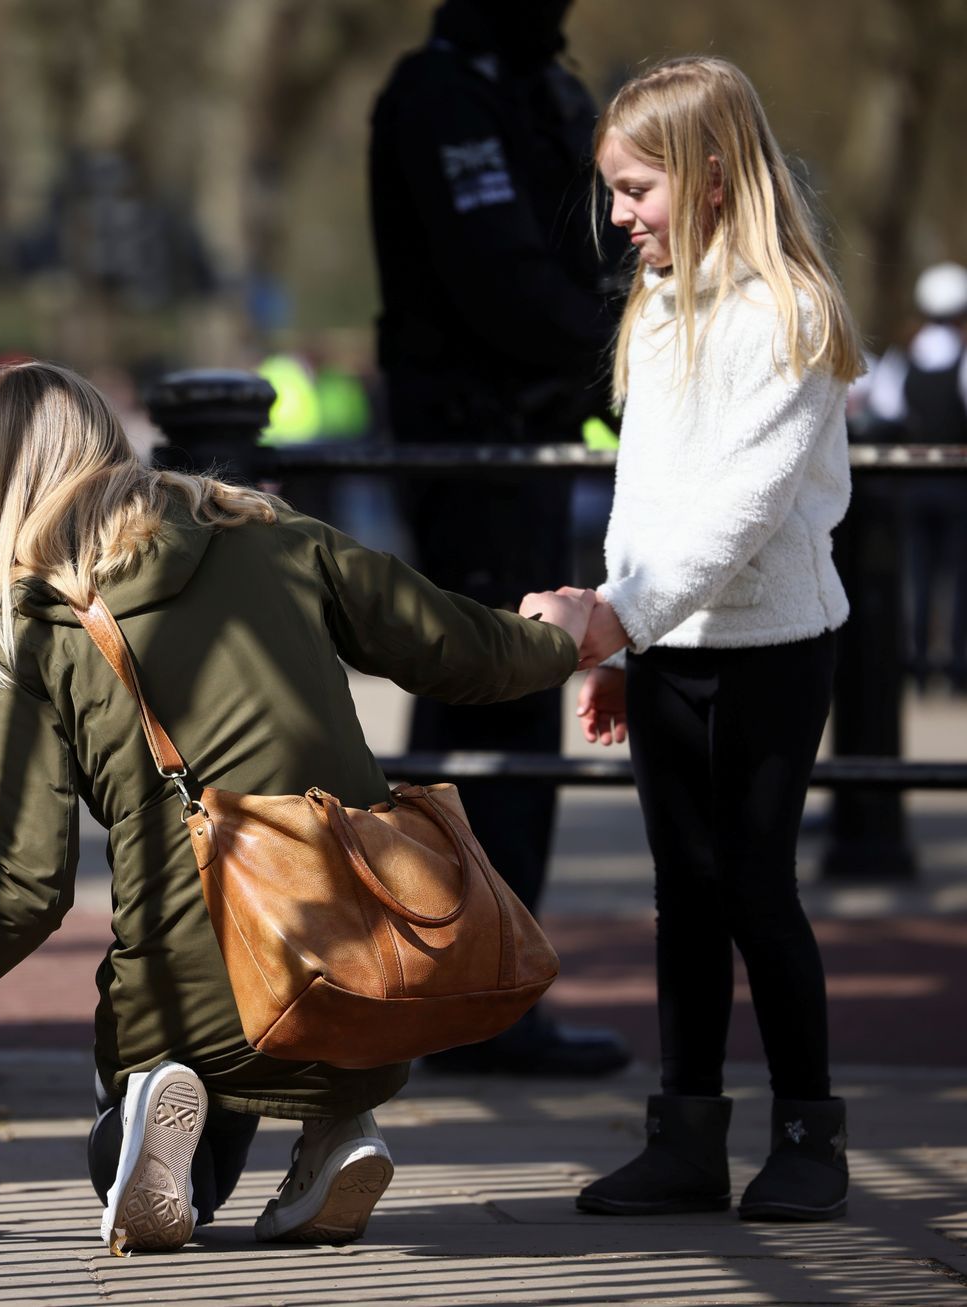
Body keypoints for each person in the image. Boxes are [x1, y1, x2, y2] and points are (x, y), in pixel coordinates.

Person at [0, 361, 601, 1252]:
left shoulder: (32, 626)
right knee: (319, 1028)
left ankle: (158, 1098)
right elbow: (453, 650)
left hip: (196, 988)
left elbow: (23, 887)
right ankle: (336, 1127)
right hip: (371, 957)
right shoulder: (273, 532)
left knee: (161, 1093)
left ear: (8, 486)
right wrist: (562, 637)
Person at [567, 56, 864, 1222]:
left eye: (636, 188)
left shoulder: (790, 314)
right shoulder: (655, 308)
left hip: (774, 649)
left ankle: (809, 1133)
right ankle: (685, 1134)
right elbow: (645, 501)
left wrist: (614, 614)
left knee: (752, 882)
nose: (620, 216)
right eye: (613, 192)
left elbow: (742, 511)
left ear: (711, 174)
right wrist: (617, 633)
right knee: (681, 893)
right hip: (668, 644)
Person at [368, 0, 630, 1076]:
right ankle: (469, 998)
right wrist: (631, 360)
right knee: (484, 707)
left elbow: (587, 242)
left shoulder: (540, 90)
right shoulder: (443, 98)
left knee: (517, 720)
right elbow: (505, 281)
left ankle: (490, 991)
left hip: (530, 442)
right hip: (474, 448)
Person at [858, 261, 967, 692]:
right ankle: (957, 668)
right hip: (959, 487)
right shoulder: (961, 357)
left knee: (915, 577)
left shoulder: (903, 359)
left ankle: (917, 666)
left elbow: (884, 414)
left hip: (911, 488)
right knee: (958, 579)